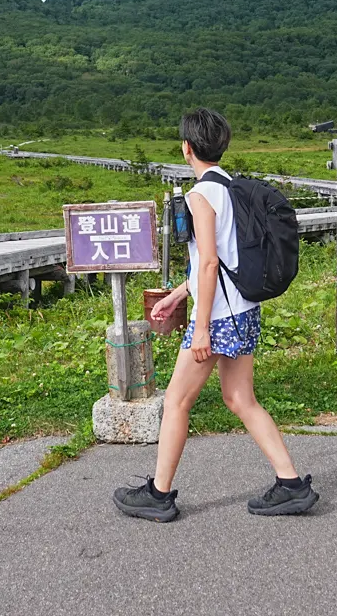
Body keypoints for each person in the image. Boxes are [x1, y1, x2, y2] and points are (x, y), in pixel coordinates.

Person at [113, 107, 318, 521]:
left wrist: (200, 327)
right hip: (243, 310)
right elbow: (222, 261)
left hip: (218, 319)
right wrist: (176, 294)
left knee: (176, 401)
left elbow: (208, 263)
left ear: (186, 149)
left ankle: (159, 494)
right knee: (240, 398)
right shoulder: (231, 187)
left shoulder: (200, 195)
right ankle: (291, 484)